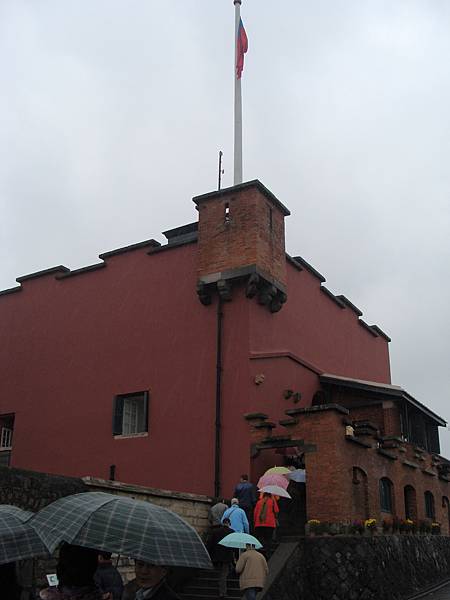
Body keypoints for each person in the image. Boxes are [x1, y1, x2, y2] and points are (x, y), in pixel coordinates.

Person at [39, 543, 105, 599]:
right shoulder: (91, 547)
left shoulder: (66, 547)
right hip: (86, 581)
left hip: (71, 582)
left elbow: (60, 567)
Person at [205, 517, 234, 599]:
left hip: (216, 556)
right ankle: (222, 592)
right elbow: (233, 546)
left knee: (220, 573)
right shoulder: (231, 532)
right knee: (224, 574)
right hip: (227, 557)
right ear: (229, 524)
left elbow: (210, 544)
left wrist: (208, 554)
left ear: (222, 523)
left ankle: (218, 588)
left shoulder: (215, 531)